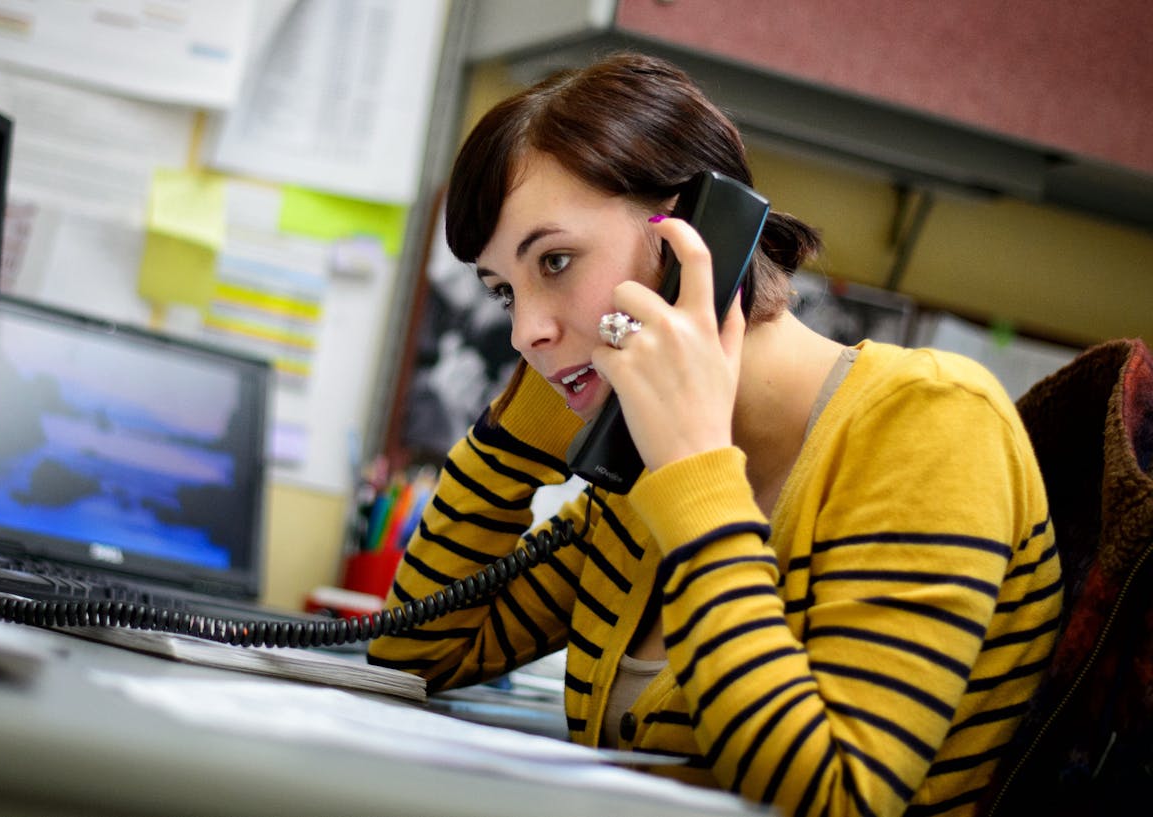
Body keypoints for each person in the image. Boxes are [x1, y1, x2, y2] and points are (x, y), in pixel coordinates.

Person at [367, 52, 1061, 817]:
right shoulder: (638, 472)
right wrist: (518, 433)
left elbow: (835, 798)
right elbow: (415, 654)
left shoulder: (933, 422)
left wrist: (697, 472)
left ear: (694, 237)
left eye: (555, 261)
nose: (526, 330)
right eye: (505, 292)